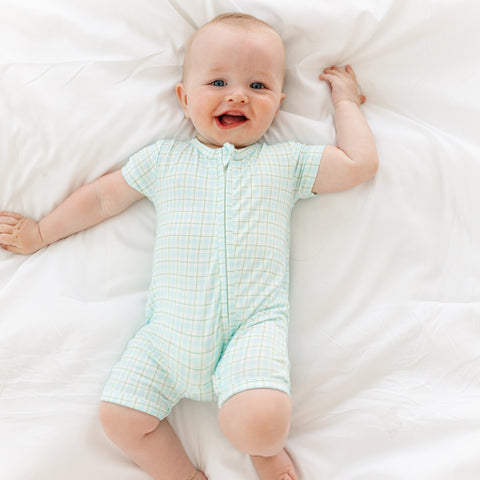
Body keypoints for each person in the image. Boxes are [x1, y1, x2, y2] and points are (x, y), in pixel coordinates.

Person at [0, 12, 378, 480]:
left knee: (261, 422)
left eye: (258, 86)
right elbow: (100, 198)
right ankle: (182, 474)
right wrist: (41, 233)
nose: (237, 95)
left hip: (250, 331)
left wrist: (345, 102)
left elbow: (358, 163)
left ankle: (263, 454)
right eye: (218, 82)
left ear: (279, 105)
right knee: (120, 417)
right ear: (183, 98)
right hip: (166, 338)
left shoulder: (287, 164)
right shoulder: (163, 160)